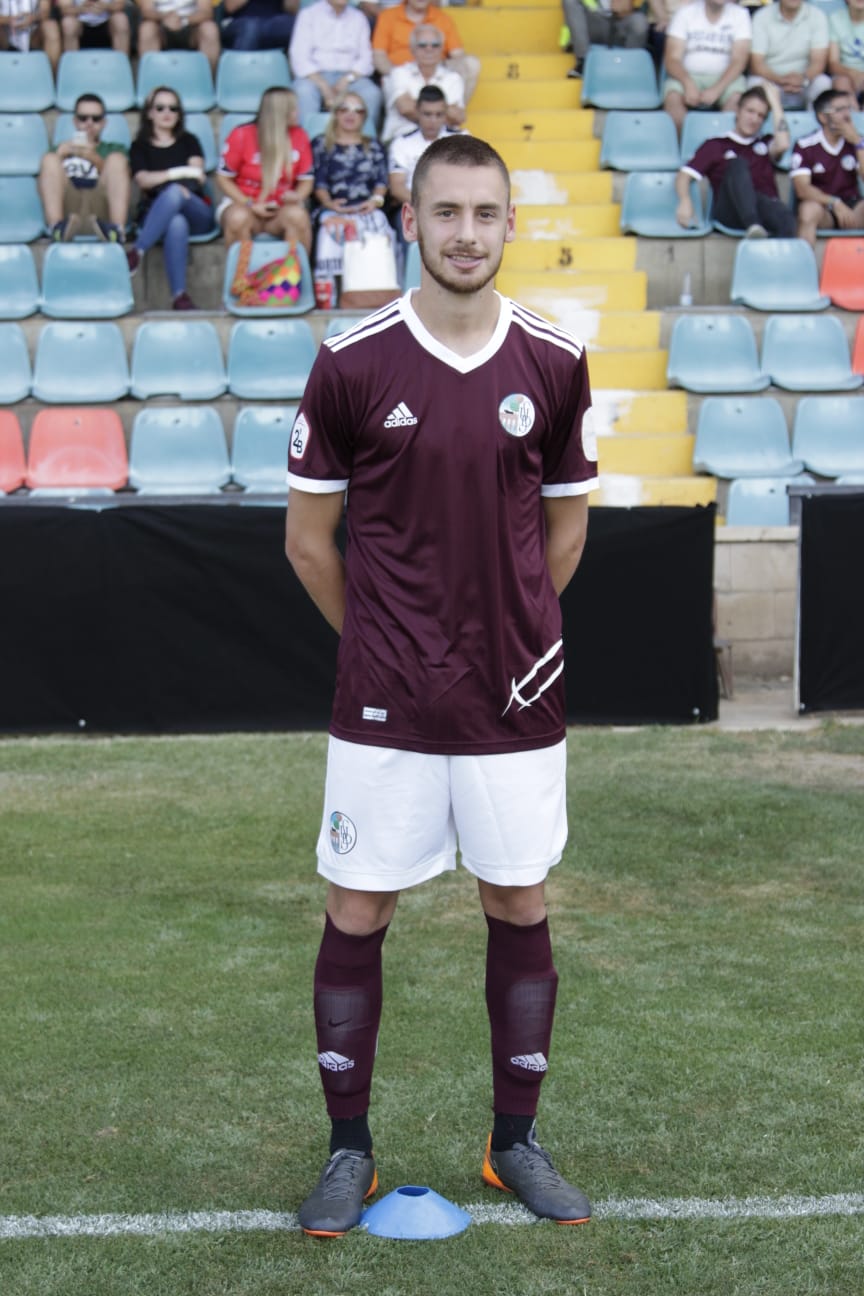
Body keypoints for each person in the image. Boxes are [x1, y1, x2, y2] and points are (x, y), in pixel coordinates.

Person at [284, 133, 598, 1239]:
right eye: (446, 212)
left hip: (516, 696)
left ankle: (514, 1143)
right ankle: (348, 1153)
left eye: (485, 213)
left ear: (512, 224)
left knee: (517, 899)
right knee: (358, 906)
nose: (466, 233)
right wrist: (383, 637)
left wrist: (514, 634)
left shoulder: (554, 362)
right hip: (384, 695)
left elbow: (564, 527)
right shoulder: (353, 359)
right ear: (409, 221)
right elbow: (310, 542)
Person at [125, 86, 214, 310]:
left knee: (175, 193)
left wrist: (168, 182)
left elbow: (197, 176)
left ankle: (138, 250)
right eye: (160, 107)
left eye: (173, 108)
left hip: (197, 210)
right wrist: (177, 176)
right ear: (149, 113)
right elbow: (143, 180)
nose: (167, 113)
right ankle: (179, 296)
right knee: (176, 222)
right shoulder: (139, 146)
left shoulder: (189, 140)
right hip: (158, 214)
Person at [675, 82, 796, 235]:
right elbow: (684, 176)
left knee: (786, 217)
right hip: (730, 210)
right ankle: (753, 226)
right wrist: (685, 201)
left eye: (761, 115)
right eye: (750, 111)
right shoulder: (716, 144)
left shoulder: (765, 142)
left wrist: (776, 103)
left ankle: (780, 255)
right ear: (738, 111)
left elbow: (784, 144)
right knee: (737, 164)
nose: (754, 119)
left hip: (764, 207)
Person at [216, 85, 313, 250]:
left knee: (298, 217)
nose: (298, 112)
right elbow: (223, 178)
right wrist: (249, 204)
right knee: (237, 218)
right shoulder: (241, 135)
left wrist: (296, 196)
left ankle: (293, 275)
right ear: (279, 112)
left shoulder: (300, 136)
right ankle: (242, 275)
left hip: (281, 208)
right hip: (244, 204)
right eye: (293, 108)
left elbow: (306, 180)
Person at [310, 90, 393, 285]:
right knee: (331, 229)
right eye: (344, 109)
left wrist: (375, 201)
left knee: (378, 224)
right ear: (336, 113)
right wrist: (329, 204)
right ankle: (330, 293)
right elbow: (318, 182)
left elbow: (381, 182)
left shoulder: (373, 145)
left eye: (358, 110)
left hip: (367, 207)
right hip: (331, 208)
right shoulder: (321, 144)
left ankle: (374, 288)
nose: (350, 114)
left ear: (364, 117)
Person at [38, 92, 130, 242]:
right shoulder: (60, 148)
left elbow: (123, 178)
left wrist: (91, 156)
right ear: (75, 121)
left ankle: (117, 231)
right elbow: (44, 183)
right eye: (83, 118)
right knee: (49, 160)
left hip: (101, 210)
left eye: (96, 119)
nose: (89, 123)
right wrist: (60, 155)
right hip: (69, 209)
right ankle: (56, 229)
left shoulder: (114, 148)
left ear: (104, 123)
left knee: (117, 160)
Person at [289, 0, 382, 130]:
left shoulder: (359, 18)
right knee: (303, 91)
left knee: (372, 93)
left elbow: (366, 59)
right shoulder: (308, 15)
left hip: (351, 76)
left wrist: (347, 79)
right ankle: (306, 143)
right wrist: (323, 85)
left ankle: (365, 144)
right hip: (315, 76)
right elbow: (299, 57)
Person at [662, 0, 752, 134]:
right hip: (687, 75)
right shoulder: (685, 13)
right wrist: (688, 84)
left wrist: (717, 89)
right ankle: (685, 150)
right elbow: (672, 59)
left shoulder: (740, 15)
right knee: (673, 100)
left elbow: (739, 60)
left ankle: (720, 149)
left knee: (737, 102)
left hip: (726, 78)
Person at [791, 88, 864, 243]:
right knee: (808, 209)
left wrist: (858, 143)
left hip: (853, 207)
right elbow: (802, 189)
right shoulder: (805, 145)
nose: (847, 115)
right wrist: (834, 202)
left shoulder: (857, 143)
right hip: (824, 206)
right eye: (839, 110)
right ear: (823, 117)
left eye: (848, 108)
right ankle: (803, 265)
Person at [373, 0, 480, 104]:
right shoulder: (388, 16)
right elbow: (379, 56)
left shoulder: (442, 18)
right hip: (401, 74)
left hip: (436, 72)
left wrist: (440, 74)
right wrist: (399, 75)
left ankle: (453, 113)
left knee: (471, 64)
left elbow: (458, 54)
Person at [381, 22, 465, 142]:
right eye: (422, 45)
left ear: (442, 49)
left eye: (435, 45)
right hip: (401, 138)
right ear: (412, 49)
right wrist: (442, 112)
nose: (429, 49)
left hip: (442, 143)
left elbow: (458, 117)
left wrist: (419, 107)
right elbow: (405, 108)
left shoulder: (453, 78)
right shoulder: (399, 73)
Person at [749, 0, 831, 109]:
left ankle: (816, 125)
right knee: (754, 83)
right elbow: (757, 63)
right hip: (772, 82)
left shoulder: (817, 16)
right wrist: (781, 80)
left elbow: (819, 62)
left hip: (804, 84)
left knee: (823, 82)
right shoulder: (761, 16)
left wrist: (803, 79)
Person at [560, 0, 655, 81]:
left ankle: (630, 67)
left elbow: (625, 9)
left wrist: (623, 8)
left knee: (639, 21)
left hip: (619, 24)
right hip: (593, 22)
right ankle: (583, 62)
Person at [136, 0, 221, 75]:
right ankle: (150, 81)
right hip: (160, 25)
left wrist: (184, 20)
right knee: (147, 29)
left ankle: (208, 80)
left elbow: (205, 11)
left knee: (210, 29)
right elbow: (147, 11)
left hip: (192, 25)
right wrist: (165, 18)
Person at [0, 0, 60, 67]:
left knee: (50, 27)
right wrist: (8, 20)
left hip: (33, 35)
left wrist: (32, 18)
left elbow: (46, 12)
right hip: (5, 36)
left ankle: (50, 75)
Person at [57, 0, 130, 55]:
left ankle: (121, 64)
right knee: (68, 23)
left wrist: (106, 7)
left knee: (121, 20)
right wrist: (80, 9)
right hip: (79, 23)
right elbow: (64, 9)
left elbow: (120, 5)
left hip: (107, 23)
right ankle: (72, 67)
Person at [220, 0, 297, 50]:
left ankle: (304, 72)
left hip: (274, 23)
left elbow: (292, 9)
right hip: (240, 22)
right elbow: (230, 6)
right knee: (251, 28)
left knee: (298, 26)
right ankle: (242, 73)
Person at [828, 0, 864, 105]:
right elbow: (833, 63)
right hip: (844, 74)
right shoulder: (835, 19)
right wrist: (853, 74)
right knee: (841, 82)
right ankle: (853, 118)